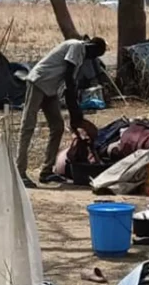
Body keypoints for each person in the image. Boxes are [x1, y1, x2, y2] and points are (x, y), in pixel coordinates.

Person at [15, 36, 107, 187]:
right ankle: (20, 173)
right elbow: (69, 78)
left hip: (51, 89)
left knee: (57, 127)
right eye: (94, 53)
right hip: (39, 81)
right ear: (90, 45)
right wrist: (75, 113)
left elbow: (70, 88)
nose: (92, 58)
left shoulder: (81, 56)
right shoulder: (77, 46)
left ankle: (46, 172)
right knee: (28, 126)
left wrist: (75, 117)